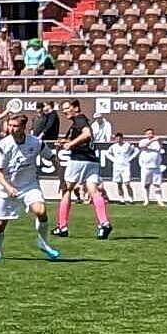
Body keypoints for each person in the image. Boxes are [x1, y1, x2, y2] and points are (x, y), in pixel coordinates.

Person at [0, 107, 62, 262]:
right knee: (0, 224)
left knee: (41, 211)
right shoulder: (3, 145)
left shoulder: (36, 142)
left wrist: (61, 176)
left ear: (23, 127)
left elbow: (52, 157)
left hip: (29, 186)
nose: (11, 129)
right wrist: (8, 187)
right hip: (7, 188)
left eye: (15, 126)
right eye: (10, 125)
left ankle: (43, 242)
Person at [53, 99, 113, 240]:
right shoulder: (82, 120)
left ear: (76, 108)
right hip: (92, 160)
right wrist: (66, 142)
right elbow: (85, 140)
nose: (64, 111)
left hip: (78, 160)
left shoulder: (79, 120)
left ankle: (62, 227)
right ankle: (104, 223)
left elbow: (87, 134)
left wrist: (70, 144)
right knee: (94, 191)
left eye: (67, 108)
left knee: (66, 190)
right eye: (63, 109)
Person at [105, 128, 137, 204]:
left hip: (125, 166)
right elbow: (107, 154)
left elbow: (136, 150)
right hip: (117, 166)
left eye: (120, 138)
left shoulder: (127, 145)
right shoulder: (113, 146)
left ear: (122, 138)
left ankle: (131, 199)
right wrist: (113, 159)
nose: (118, 140)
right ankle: (121, 199)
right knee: (119, 184)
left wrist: (130, 158)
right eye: (117, 138)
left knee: (127, 183)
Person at [139, 129, 167, 205]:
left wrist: (158, 141)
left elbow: (160, 148)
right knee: (146, 184)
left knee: (157, 184)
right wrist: (152, 140)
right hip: (146, 167)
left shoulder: (156, 143)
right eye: (148, 134)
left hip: (156, 167)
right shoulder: (143, 141)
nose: (150, 135)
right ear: (145, 135)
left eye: (151, 133)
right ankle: (146, 200)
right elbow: (142, 146)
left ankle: (159, 201)